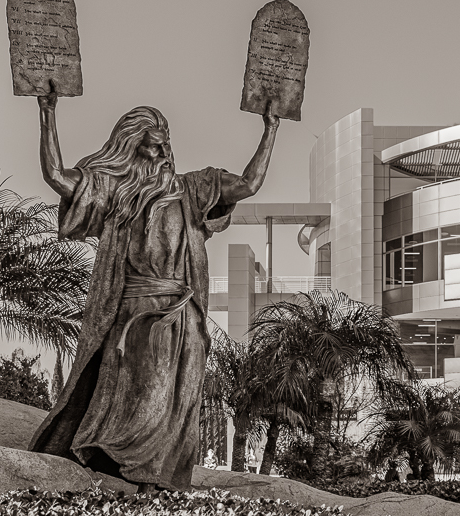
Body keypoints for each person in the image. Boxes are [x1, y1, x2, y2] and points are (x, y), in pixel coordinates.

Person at [28, 95, 280, 492]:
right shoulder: (114, 192)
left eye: (166, 145)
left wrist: (271, 128)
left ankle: (157, 482)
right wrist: (47, 113)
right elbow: (57, 176)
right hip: (134, 312)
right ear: (131, 147)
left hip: (183, 314)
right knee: (144, 393)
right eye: (152, 146)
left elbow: (247, 184)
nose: (163, 154)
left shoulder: (192, 189)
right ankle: (118, 466)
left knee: (178, 397)